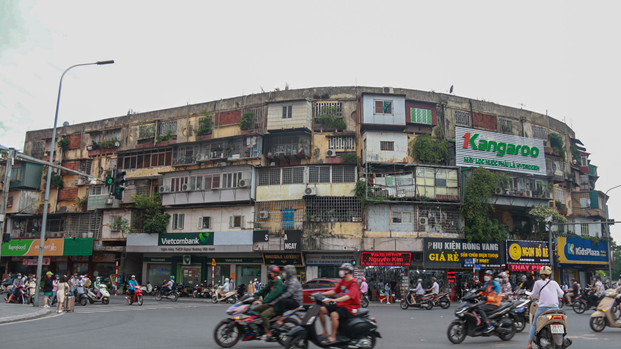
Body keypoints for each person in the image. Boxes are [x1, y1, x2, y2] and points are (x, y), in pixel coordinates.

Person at [318, 263, 361, 345]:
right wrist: (322, 293)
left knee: (334, 315)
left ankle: (333, 336)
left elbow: (348, 297)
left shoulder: (354, 283)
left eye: (342, 270)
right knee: (321, 310)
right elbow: (334, 291)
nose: (340, 271)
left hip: (351, 307)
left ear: (347, 271)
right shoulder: (343, 281)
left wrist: (334, 300)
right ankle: (325, 332)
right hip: (342, 304)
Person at [526, 266, 564, 349]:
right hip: (555, 309)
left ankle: (529, 344)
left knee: (534, 324)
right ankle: (564, 342)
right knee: (562, 324)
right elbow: (561, 294)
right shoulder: (554, 283)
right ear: (549, 275)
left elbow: (532, 295)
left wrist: (529, 297)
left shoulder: (537, 283)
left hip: (543, 309)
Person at [252, 265, 286, 341]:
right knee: (255, 311)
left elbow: (272, 294)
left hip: (277, 306)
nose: (268, 273)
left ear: (275, 273)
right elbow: (264, 290)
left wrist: (262, 301)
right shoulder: (271, 282)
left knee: (263, 315)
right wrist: (252, 295)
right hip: (271, 304)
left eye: (270, 272)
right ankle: (261, 327)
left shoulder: (278, 283)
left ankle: (268, 333)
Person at [270, 265, 303, 330]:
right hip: (291, 298)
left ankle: (280, 320)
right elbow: (283, 289)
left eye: (285, 271)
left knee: (282, 301)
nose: (283, 273)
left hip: (296, 301)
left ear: (289, 272)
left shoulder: (293, 281)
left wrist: (276, 300)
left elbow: (287, 294)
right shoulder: (288, 280)